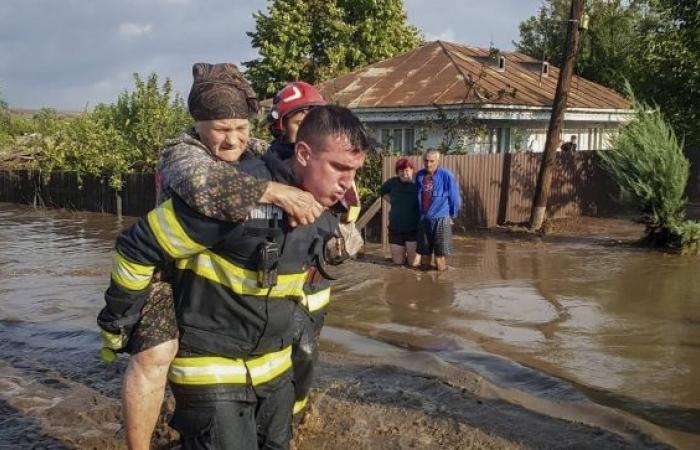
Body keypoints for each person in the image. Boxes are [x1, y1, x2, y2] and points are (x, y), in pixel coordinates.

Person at [98, 104, 368, 449]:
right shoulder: (233, 196)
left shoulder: (325, 204)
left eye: (355, 171)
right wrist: (119, 322)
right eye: (340, 168)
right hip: (212, 370)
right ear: (303, 153)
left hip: (274, 371)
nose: (348, 184)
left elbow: (314, 279)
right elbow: (138, 247)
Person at [415, 149, 461, 272]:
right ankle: (424, 285)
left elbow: (455, 197)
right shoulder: (419, 175)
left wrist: (452, 215)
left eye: (432, 161)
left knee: (439, 257)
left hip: (441, 219)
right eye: (426, 161)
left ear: (438, 161)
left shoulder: (446, 175)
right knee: (424, 255)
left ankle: (440, 284)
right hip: (424, 220)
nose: (428, 164)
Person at [379, 158, 419, 266]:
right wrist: (392, 201)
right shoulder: (392, 182)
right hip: (396, 229)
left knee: (413, 265)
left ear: (412, 170)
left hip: (414, 229)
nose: (404, 173)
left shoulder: (418, 183)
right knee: (398, 264)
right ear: (397, 172)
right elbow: (382, 191)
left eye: (406, 170)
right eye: (400, 170)